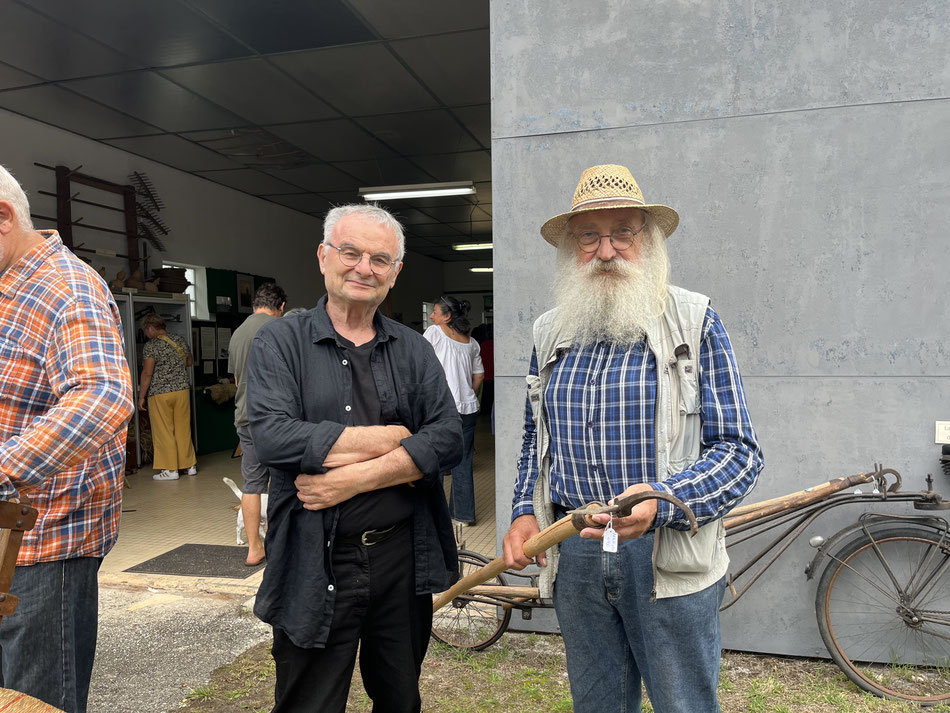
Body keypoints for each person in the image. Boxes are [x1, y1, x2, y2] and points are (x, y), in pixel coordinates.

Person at [502, 164, 764, 713]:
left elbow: (739, 451)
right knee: (597, 704)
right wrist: (524, 509)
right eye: (589, 236)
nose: (606, 250)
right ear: (571, 248)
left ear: (647, 240)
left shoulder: (696, 322)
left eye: (623, 232)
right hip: (574, 550)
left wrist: (664, 502)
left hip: (666, 557)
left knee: (683, 703)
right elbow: (535, 436)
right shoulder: (550, 331)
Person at [245, 204, 461, 713]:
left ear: (395, 273)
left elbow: (449, 437)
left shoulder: (413, 348)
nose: (364, 267)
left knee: (400, 698)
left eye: (380, 259)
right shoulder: (281, 342)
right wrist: (393, 438)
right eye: (351, 253)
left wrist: (355, 479)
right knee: (309, 703)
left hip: (402, 559)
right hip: (315, 559)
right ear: (324, 257)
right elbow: (274, 437)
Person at [0, 164, 133, 712]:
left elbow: (103, 395)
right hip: (11, 540)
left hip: (41, 547)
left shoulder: (65, 287)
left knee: (34, 698)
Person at [228, 282, 286, 566]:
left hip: (245, 417)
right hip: (275, 418)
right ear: (281, 307)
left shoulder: (238, 333)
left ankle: (254, 548)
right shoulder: (278, 328)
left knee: (252, 484)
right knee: (283, 481)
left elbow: (237, 381)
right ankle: (282, 544)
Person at [424, 297, 483, 525]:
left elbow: (422, 365)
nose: (431, 316)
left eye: (435, 311)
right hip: (468, 408)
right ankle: (462, 515)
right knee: (463, 461)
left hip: (441, 408)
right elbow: (478, 376)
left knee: (435, 461)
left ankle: (434, 516)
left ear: (446, 316)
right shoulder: (472, 342)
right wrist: (466, 393)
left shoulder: (434, 333)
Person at [138, 312, 196, 480]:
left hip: (160, 393)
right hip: (182, 391)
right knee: (183, 428)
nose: (146, 334)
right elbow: (190, 362)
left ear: (150, 328)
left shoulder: (151, 346)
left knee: (164, 430)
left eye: (146, 330)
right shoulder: (180, 340)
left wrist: (142, 396)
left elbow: (147, 373)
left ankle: (171, 470)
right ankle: (189, 465)